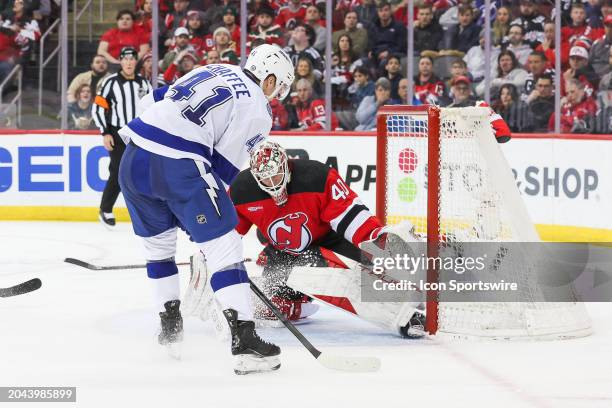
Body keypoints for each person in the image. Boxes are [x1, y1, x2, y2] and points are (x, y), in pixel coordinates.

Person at [117, 44, 295, 375]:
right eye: (280, 87)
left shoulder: (215, 67)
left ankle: (170, 329)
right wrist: (202, 225)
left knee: (159, 247)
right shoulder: (258, 107)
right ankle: (245, 340)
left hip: (133, 158)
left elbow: (154, 99)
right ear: (269, 79)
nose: (276, 95)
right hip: (178, 161)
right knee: (224, 244)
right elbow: (222, 169)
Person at [217, 141, 425, 337]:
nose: (272, 183)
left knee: (359, 276)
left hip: (329, 243)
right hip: (282, 256)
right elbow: (226, 235)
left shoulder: (317, 177)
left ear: (286, 165)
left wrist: (377, 238)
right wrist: (213, 259)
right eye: (265, 179)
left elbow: (350, 216)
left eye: (276, 175)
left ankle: (405, 312)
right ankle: (297, 302)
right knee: (270, 304)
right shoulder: (240, 190)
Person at [92, 47, 152, 228]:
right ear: (120, 61)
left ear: (135, 62)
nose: (128, 62)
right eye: (125, 59)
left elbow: (152, 110)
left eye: (132, 59)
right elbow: (98, 108)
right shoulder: (110, 82)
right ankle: (106, 208)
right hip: (117, 133)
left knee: (142, 172)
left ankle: (144, 212)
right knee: (119, 171)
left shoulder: (144, 83)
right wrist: (105, 132)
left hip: (139, 134)